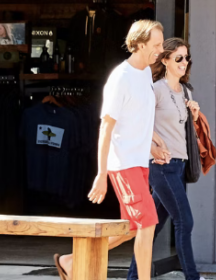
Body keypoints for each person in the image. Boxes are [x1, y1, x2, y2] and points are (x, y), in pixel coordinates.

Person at [55, 20, 164, 280]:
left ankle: (71, 261)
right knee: (148, 223)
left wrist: (152, 143)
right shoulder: (121, 78)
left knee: (132, 228)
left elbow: (138, 118)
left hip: (139, 161)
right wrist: (101, 174)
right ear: (138, 44)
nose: (160, 50)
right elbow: (106, 128)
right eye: (156, 44)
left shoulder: (146, 73)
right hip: (123, 163)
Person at [127, 38, 205, 280]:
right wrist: (152, 148)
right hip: (162, 167)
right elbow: (137, 123)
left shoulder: (186, 91)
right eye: (178, 58)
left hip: (179, 166)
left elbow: (183, 132)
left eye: (186, 57)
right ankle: (192, 277)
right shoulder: (155, 90)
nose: (184, 62)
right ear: (165, 60)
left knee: (153, 226)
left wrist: (194, 116)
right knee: (185, 222)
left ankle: (133, 277)